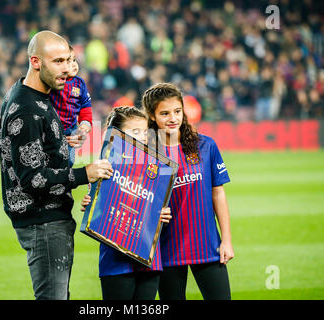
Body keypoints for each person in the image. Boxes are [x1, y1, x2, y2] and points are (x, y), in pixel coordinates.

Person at [0, 30, 113, 300]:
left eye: (68, 60)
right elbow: (33, 179)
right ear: (36, 62)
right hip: (43, 221)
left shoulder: (35, 94)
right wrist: (87, 173)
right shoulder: (28, 109)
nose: (67, 69)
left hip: (47, 218)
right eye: (58, 62)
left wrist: (75, 133)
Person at [141, 82, 234, 300]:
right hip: (165, 249)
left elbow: (218, 193)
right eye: (164, 113)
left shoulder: (206, 146)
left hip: (207, 245)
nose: (172, 118)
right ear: (152, 116)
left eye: (177, 111)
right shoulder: (145, 153)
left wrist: (226, 240)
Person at [80, 106, 172, 300]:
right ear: (116, 134)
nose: (143, 137)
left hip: (149, 260)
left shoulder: (157, 169)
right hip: (116, 261)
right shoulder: (103, 168)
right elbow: (97, 215)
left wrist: (162, 215)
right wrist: (91, 206)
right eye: (135, 132)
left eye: (145, 132)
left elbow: (158, 215)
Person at [49, 45, 93, 166]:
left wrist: (85, 123)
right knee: (54, 160)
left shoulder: (80, 84)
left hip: (71, 129)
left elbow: (85, 106)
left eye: (74, 60)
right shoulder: (53, 82)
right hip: (53, 130)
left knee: (69, 161)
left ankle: (63, 179)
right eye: (68, 61)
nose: (73, 64)